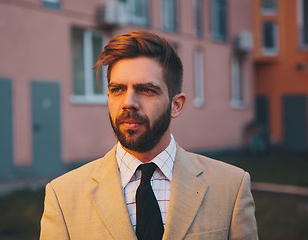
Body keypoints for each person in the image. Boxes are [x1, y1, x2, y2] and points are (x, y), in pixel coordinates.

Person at [40, 30, 258, 240]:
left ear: (176, 105)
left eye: (146, 90)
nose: (128, 103)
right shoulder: (63, 196)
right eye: (117, 90)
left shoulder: (231, 187)